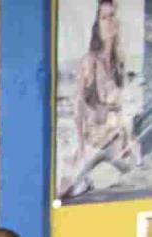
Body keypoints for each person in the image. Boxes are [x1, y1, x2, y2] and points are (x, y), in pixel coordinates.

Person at [61, 0, 143, 198]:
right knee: (66, 190)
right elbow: (78, 106)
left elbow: (120, 108)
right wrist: (80, 147)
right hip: (92, 144)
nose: (109, 22)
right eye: (104, 17)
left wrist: (128, 138)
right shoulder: (89, 61)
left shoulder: (119, 62)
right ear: (97, 24)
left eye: (112, 16)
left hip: (114, 142)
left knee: (138, 172)